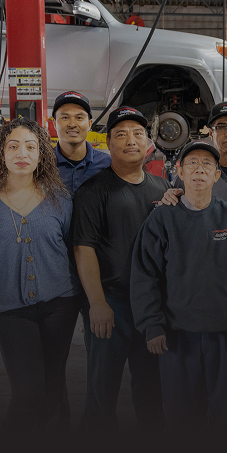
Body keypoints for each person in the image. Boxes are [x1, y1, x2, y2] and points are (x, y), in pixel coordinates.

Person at [131, 141, 227, 433]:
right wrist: (151, 325)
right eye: (192, 163)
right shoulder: (161, 219)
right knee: (180, 416)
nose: (199, 170)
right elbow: (144, 275)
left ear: (217, 175)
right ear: (178, 171)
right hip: (176, 338)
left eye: (207, 164)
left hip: (226, 338)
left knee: (225, 414)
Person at [0, 117, 81, 433]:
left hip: (61, 306)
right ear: (0, 153)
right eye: (13, 146)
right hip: (11, 312)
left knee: (53, 386)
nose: (22, 154)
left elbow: (72, 251)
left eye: (31, 147)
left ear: (41, 155)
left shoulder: (61, 200)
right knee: (27, 392)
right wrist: (2, 290)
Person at [72, 106, 168, 433]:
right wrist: (97, 303)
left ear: (149, 143)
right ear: (108, 145)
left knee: (152, 390)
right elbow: (83, 249)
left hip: (152, 306)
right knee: (102, 390)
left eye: (138, 133)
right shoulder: (93, 190)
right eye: (121, 134)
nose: (131, 140)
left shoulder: (161, 189)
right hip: (111, 303)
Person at [49, 90, 111, 427]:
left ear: (90, 122)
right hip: (54, 275)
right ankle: (58, 420)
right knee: (53, 357)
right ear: (53, 123)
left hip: (95, 274)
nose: (72, 124)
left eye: (79, 117)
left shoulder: (106, 165)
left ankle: (96, 421)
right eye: (64, 117)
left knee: (100, 353)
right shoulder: (39, 164)